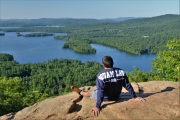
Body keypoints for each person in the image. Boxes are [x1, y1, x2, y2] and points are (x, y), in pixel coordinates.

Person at [71, 56, 146, 117]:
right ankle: (81, 92)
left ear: (103, 65)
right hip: (116, 96)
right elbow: (127, 85)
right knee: (98, 90)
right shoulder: (121, 72)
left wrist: (97, 106)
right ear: (113, 63)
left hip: (106, 98)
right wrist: (135, 96)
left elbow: (101, 91)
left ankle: (80, 92)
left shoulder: (101, 75)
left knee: (90, 92)